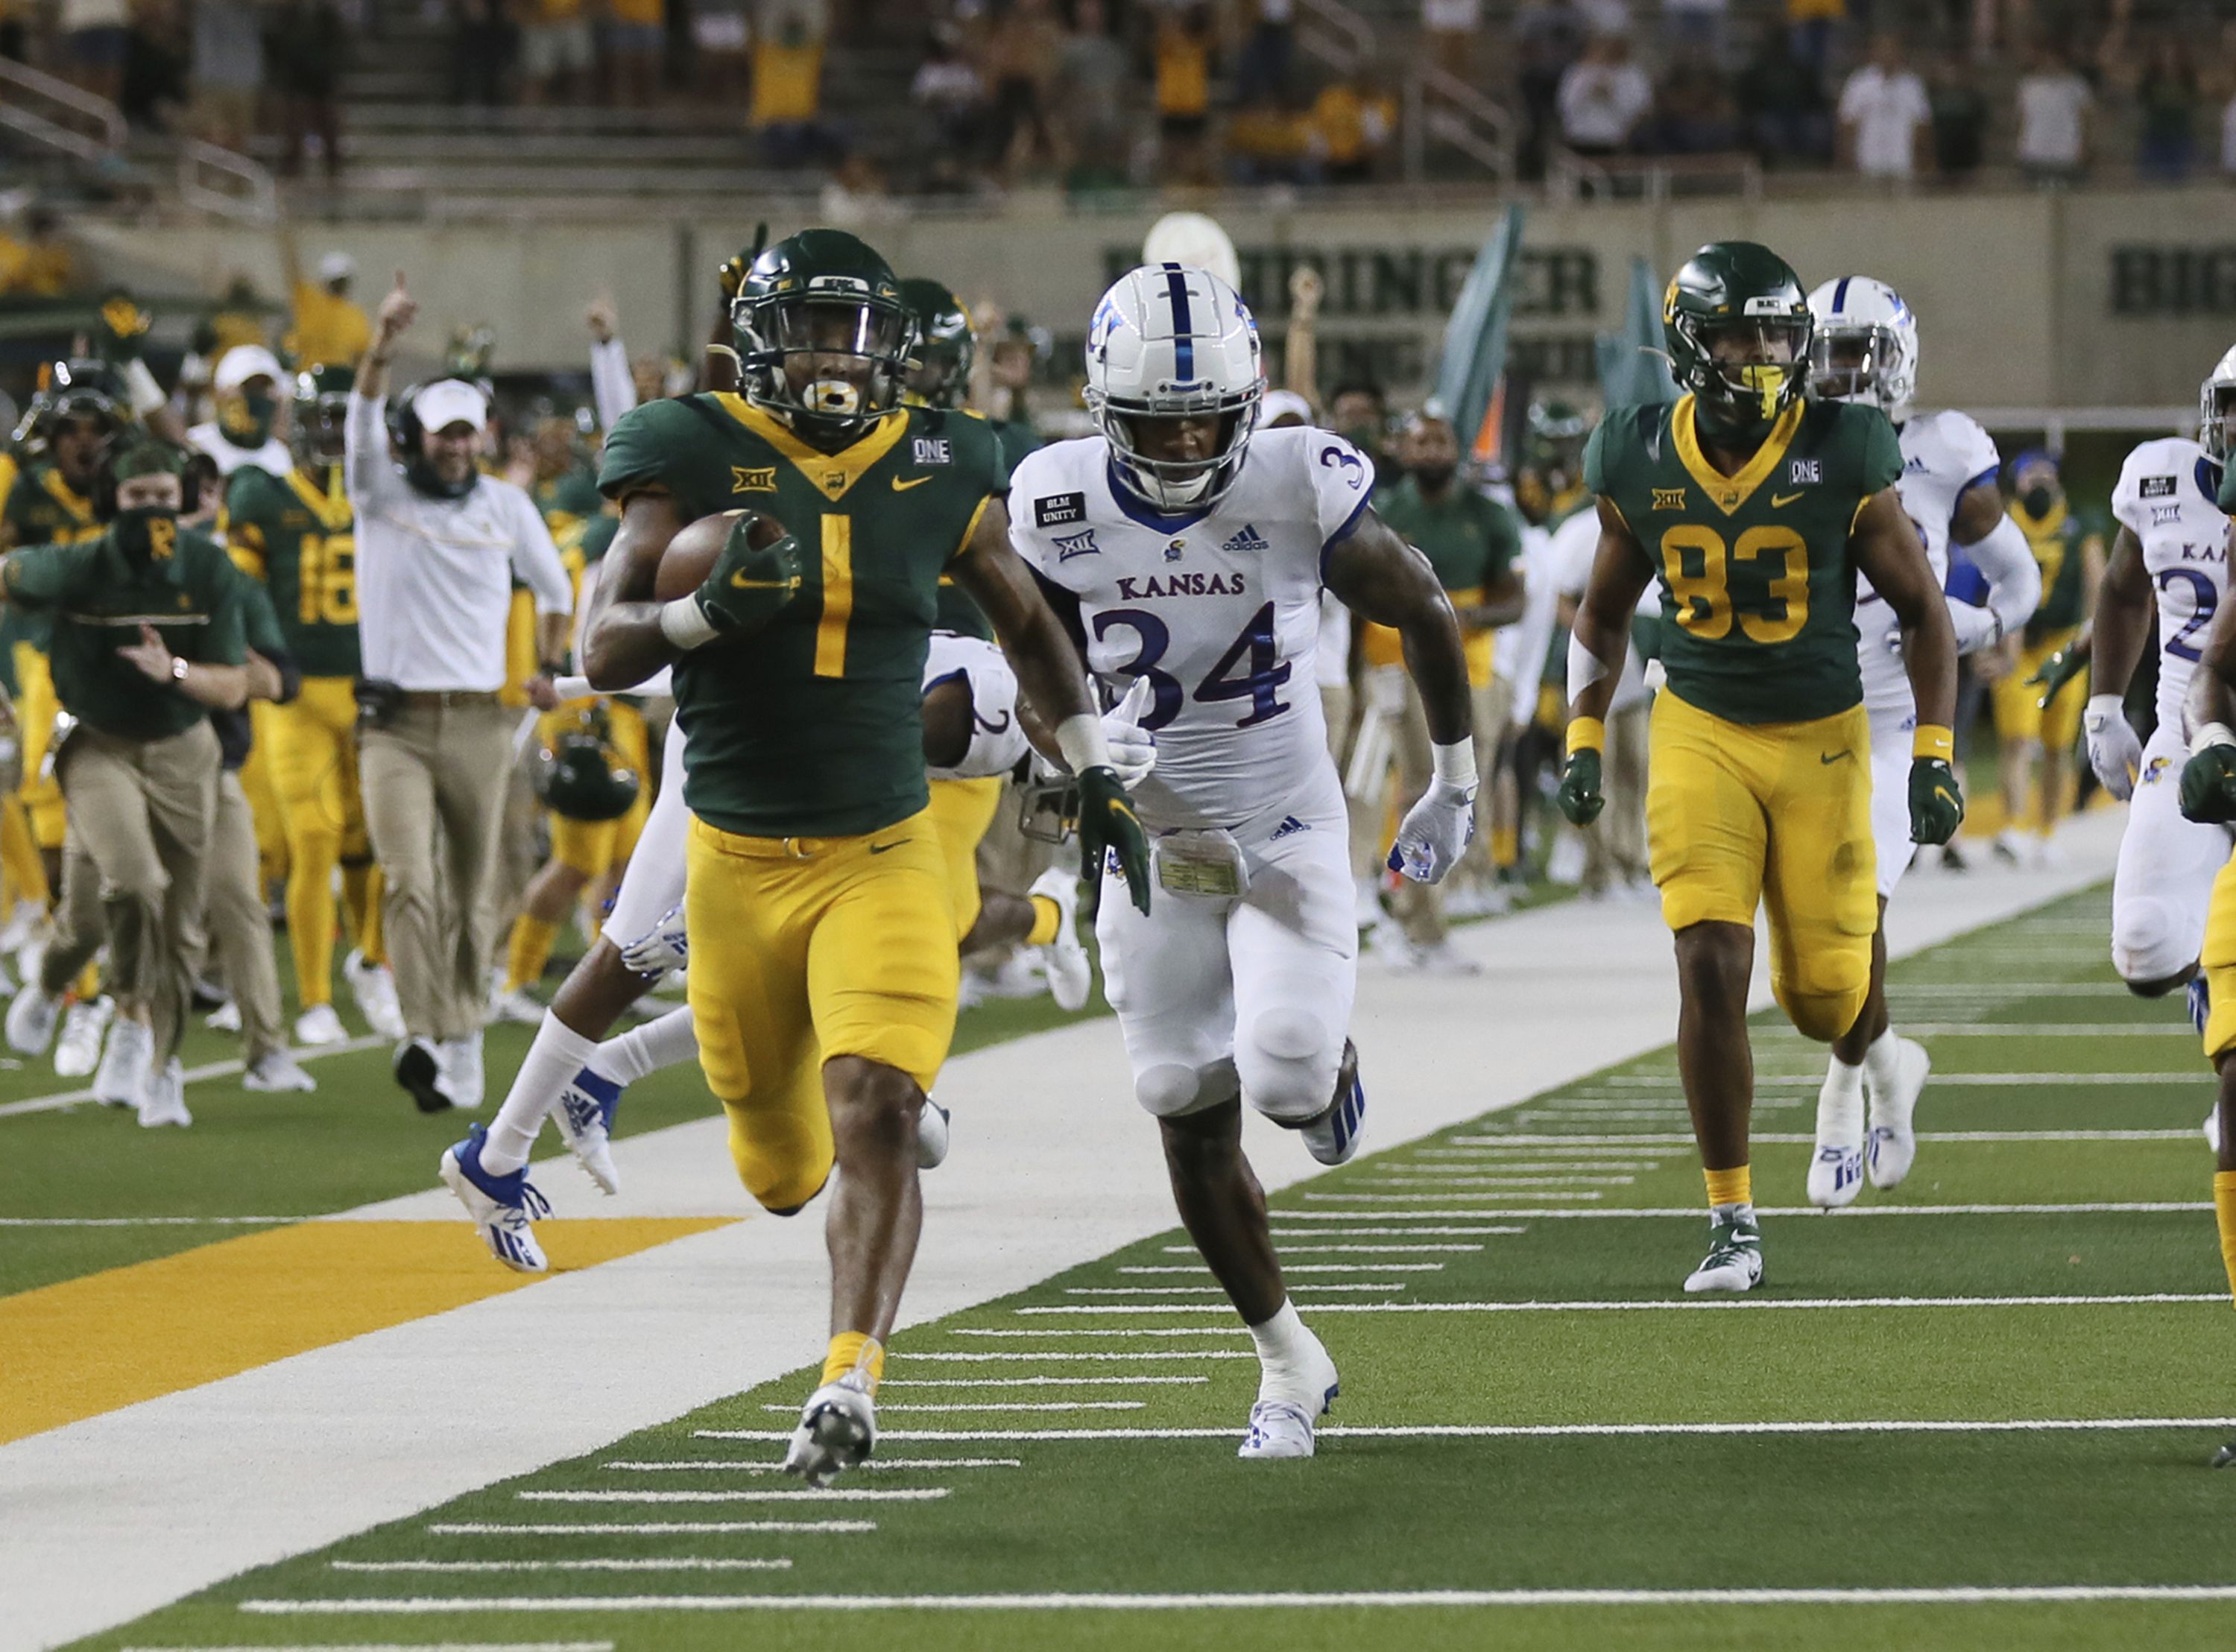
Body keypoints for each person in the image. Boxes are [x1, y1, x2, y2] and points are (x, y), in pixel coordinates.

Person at [444, 228, 1148, 1487]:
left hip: (880, 848)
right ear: (764, 342)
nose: (837, 355)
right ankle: (580, 1117)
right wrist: (698, 614)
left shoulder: (943, 457)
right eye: (815, 329)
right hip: (735, 857)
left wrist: (1091, 765)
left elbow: (1033, 627)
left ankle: (849, 1379)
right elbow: (604, 647)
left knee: (879, 1107)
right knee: (779, 1172)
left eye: (855, 331)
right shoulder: (686, 446)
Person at [1008, 262, 1477, 1458]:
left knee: (1282, 1073)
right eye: (1154, 419)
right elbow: (1031, 661)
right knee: (1176, 1095)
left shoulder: (1296, 474)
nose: (1179, 441)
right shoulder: (1053, 499)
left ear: (1249, 399)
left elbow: (1422, 604)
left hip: (1281, 825)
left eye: (1204, 415)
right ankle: (1285, 1361)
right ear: (1101, 409)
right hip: (1152, 839)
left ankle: (1331, 1073)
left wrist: (1454, 776)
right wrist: (1070, 737)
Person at [1556, 241, 1959, 1294]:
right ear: (1694, 342)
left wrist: (1931, 749)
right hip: (1700, 723)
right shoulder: (1636, 454)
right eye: (1741, 333)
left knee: (1826, 1000)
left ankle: (1879, 1055)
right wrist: (1586, 733)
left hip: (1823, 732)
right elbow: (1600, 614)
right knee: (1707, 961)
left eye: (1781, 333)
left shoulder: (1848, 444)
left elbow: (1926, 613)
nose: (1767, 353)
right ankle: (1731, 1216)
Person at [1802, 274, 2041, 1206]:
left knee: (1856, 910)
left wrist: (1964, 629)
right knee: (1807, 943)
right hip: (1802, 715)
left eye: (1860, 351)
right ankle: (1892, 1066)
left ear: (1896, 359)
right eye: (1828, 352)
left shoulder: (1942, 454)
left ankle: (1841, 1097)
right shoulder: (1784, 450)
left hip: (1903, 719)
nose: (1844, 372)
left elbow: (2015, 588)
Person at [347, 273, 573, 1113]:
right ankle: (420, 1032)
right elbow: (359, 422)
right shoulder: (377, 492)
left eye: (465, 435)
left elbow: (556, 590)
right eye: (440, 434)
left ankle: (465, 1029)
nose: (453, 448)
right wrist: (381, 347)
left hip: (481, 719)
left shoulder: (509, 507)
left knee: (476, 886)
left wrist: (548, 666)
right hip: (394, 724)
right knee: (408, 877)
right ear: (416, 438)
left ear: (482, 438)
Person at [0, 436, 262, 1124]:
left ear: (181, 498)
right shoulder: (82, 560)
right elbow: (12, 577)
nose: (150, 507)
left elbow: (237, 683)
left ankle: (161, 1064)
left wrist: (173, 670)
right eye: (136, 495)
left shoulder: (209, 568)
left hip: (183, 749)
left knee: (168, 924)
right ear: (114, 497)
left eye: (161, 495)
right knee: (137, 884)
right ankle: (106, 1006)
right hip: (97, 743)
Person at [224, 364, 399, 1045]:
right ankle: (317, 997)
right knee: (315, 838)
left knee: (371, 839)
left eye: (339, 418)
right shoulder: (260, 494)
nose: (330, 433)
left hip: (371, 689)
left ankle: (371, 963)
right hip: (298, 694)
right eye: (320, 418)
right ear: (294, 425)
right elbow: (243, 594)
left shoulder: (382, 494)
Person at [2064, 348, 2235, 1023]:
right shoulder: (2160, 479)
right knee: (2146, 941)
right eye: (2232, 406)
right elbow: (2124, 588)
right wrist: (2105, 706)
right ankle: (2209, 987)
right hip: (2189, 730)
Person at [1363, 409, 1522, 959]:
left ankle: (1423, 911)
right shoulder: (1384, 510)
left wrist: (1463, 619)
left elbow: (1515, 599)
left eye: (1441, 440)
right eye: (1420, 441)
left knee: (1461, 793)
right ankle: (1415, 919)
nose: (1431, 451)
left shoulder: (1487, 514)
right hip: (1400, 663)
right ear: (1402, 451)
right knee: (1415, 788)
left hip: (1475, 668)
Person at [1990, 449, 2103, 866]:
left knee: (2057, 745)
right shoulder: (2003, 524)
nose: (2037, 482)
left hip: (2062, 644)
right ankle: (2015, 827)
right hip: (2016, 646)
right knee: (2017, 739)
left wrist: (2090, 634)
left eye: (2044, 474)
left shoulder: (2077, 526)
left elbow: (2097, 579)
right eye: (2028, 474)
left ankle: (2048, 831)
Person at [186, 346, 291, 480]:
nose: (256, 397)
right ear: (221, 394)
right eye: (248, 388)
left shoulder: (280, 455)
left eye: (263, 388)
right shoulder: (196, 445)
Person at [1837, 33, 1930, 180]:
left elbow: (1922, 124)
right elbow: (1848, 122)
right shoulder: (1860, 82)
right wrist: (1848, 158)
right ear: (1874, 52)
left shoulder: (1912, 84)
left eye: (1892, 49)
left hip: (1902, 161)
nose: (1887, 54)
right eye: (1883, 49)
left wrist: (1922, 161)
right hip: (1868, 159)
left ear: (1900, 52)